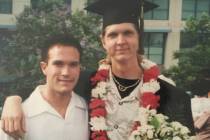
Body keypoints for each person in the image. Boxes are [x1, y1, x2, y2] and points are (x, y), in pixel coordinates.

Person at [1, 0, 195, 139]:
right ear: (103, 41)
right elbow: (48, 86)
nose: (121, 41)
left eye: (128, 33)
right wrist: (13, 100)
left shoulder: (173, 96)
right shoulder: (85, 82)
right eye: (113, 35)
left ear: (139, 38)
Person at [0, 34, 89, 140]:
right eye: (58, 64)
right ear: (44, 67)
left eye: (73, 65)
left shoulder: (86, 108)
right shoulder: (18, 114)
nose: (66, 72)